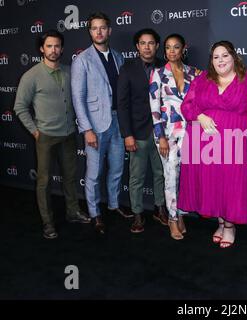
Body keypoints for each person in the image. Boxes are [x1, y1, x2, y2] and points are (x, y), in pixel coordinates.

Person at [178, 41, 247, 249]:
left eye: (225, 55)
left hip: (236, 142)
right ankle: (220, 220)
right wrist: (200, 116)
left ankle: (229, 226)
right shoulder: (203, 80)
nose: (221, 61)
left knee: (231, 185)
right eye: (216, 57)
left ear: (234, 57)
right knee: (213, 184)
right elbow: (187, 105)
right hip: (205, 144)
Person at [14, 30, 91, 239]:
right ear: (42, 48)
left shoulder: (69, 71)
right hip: (45, 137)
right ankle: (48, 223)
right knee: (44, 182)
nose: (53, 50)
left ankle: (73, 212)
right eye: (49, 46)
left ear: (62, 49)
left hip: (68, 135)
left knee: (70, 178)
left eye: (57, 46)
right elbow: (20, 107)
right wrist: (35, 131)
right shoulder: (31, 76)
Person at [71, 12, 130, 235]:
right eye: (94, 28)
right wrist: (87, 129)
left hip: (117, 122)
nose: (99, 32)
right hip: (95, 125)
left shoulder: (118, 56)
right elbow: (78, 97)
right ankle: (95, 214)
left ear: (109, 31)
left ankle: (113, 206)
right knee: (94, 174)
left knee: (116, 168)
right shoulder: (83, 60)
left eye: (103, 28)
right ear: (90, 32)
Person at [149, 34, 200, 240]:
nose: (171, 51)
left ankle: (180, 214)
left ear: (183, 49)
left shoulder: (195, 73)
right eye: (168, 48)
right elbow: (154, 109)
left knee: (185, 177)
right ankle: (171, 218)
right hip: (167, 134)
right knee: (170, 176)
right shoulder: (158, 74)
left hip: (191, 133)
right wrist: (160, 137)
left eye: (176, 47)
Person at [117, 29, 168, 233]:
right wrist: (127, 134)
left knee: (160, 173)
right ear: (137, 47)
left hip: (160, 133)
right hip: (137, 132)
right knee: (136, 177)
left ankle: (159, 209)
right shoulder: (127, 69)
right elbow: (122, 104)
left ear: (157, 46)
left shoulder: (166, 67)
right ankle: (137, 214)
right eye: (142, 43)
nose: (147, 47)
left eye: (151, 43)